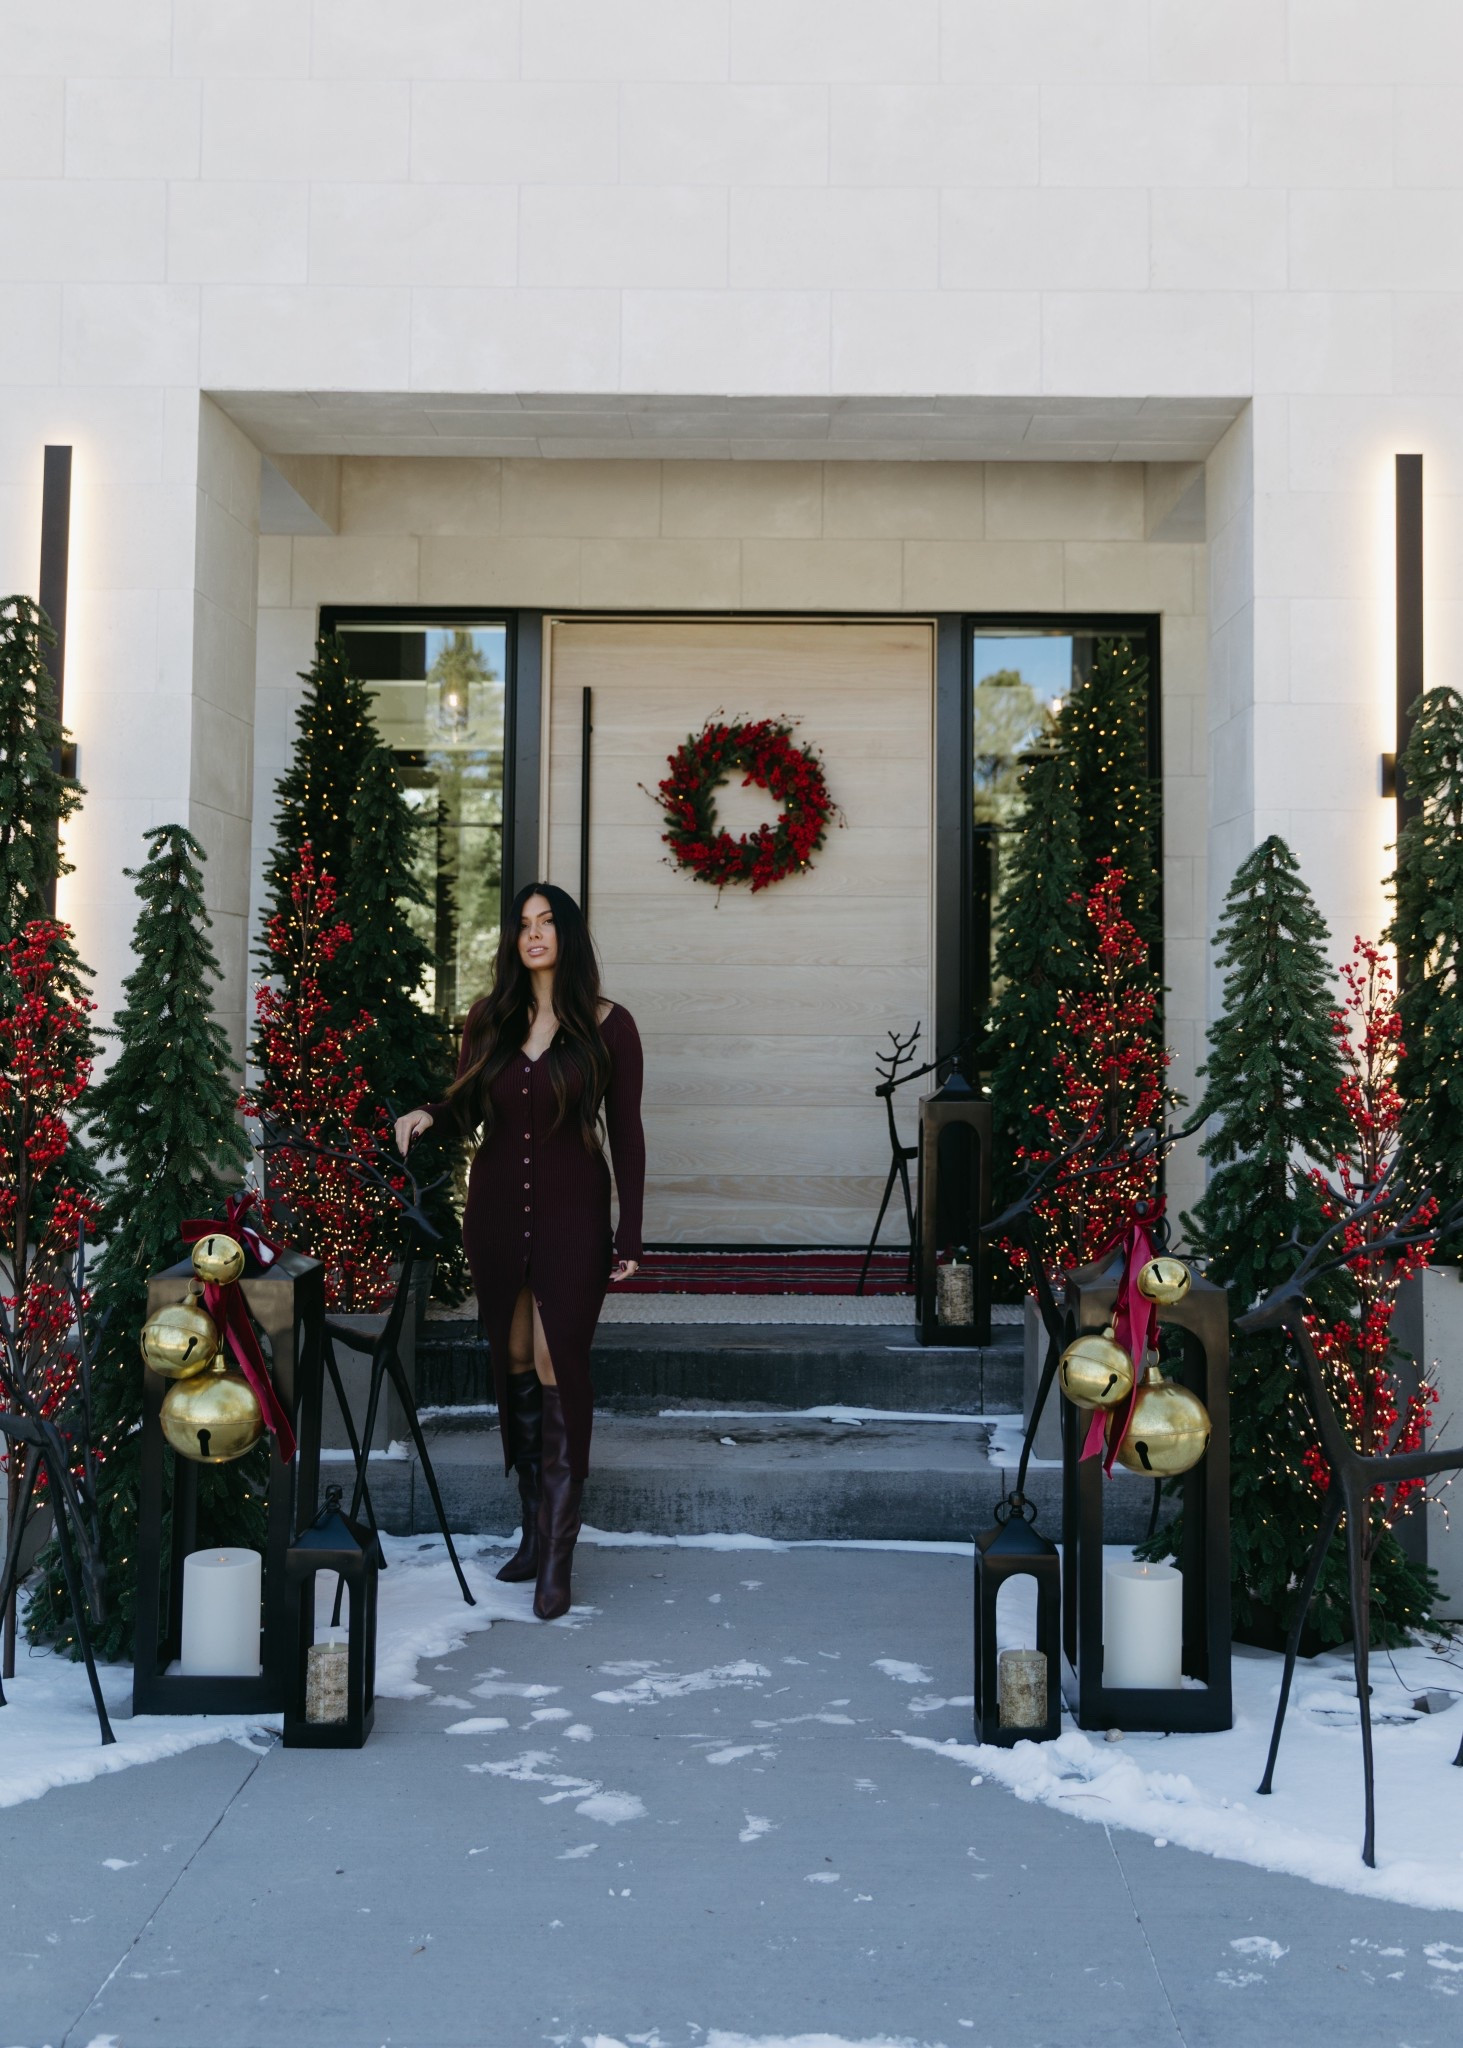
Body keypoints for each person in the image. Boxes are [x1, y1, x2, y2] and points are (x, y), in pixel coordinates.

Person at [395, 882, 644, 1620]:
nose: (533, 935)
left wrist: (630, 1231)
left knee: (555, 1359)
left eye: (546, 923)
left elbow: (627, 1132)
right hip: (497, 1215)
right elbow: (469, 1101)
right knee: (512, 1363)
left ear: (568, 934)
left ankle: (557, 1558)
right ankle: (533, 1535)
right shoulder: (489, 1018)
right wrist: (429, 1113)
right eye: (523, 924)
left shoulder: (610, 1025)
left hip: (574, 1217)